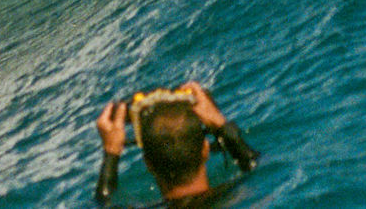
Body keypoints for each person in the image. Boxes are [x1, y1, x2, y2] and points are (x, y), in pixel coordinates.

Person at [93, 81, 258, 206]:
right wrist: (222, 126)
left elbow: (104, 202)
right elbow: (253, 163)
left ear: (148, 164)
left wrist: (111, 152)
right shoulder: (240, 194)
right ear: (205, 150)